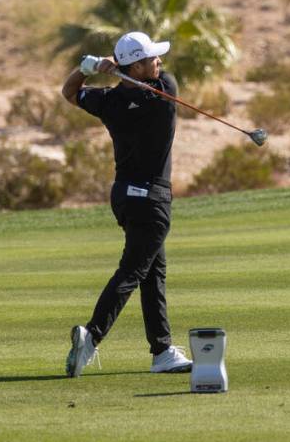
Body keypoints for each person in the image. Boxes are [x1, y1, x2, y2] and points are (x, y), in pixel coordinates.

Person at [60, 31, 192, 378]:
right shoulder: (165, 91)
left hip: (124, 197)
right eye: (151, 58)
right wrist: (117, 64)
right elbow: (155, 77)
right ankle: (91, 336)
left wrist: (88, 67)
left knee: (152, 272)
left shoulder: (109, 102)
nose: (158, 62)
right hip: (153, 200)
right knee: (134, 270)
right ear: (135, 68)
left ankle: (162, 350)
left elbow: (69, 92)